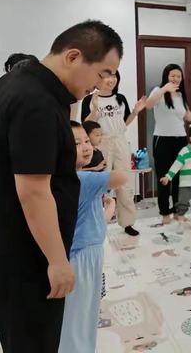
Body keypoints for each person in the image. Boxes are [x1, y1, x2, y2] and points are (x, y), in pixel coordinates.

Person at [0, 20, 122, 353]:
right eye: (102, 73)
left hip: (14, 244)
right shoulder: (36, 102)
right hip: (29, 255)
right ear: (73, 57)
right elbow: (34, 191)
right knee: (34, 340)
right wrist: (57, 260)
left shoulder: (16, 83)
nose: (100, 85)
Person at [59, 121, 126, 353]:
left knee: (79, 314)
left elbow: (92, 223)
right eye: (77, 143)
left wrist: (109, 209)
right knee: (80, 317)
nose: (87, 147)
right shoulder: (82, 180)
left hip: (82, 252)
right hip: (83, 257)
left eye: (87, 141)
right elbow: (121, 176)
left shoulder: (62, 179)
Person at [145, 64, 191, 225]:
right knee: (164, 177)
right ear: (166, 76)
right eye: (172, 75)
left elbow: (189, 117)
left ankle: (179, 212)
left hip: (181, 140)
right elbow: (148, 105)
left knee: (179, 178)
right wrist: (164, 89)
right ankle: (165, 212)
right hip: (162, 139)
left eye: (178, 76)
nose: (176, 78)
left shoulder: (180, 95)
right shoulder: (158, 91)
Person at [81, 71, 145, 236]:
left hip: (120, 141)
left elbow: (124, 123)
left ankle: (127, 223)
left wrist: (135, 112)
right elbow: (85, 125)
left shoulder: (120, 98)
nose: (111, 80)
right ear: (98, 79)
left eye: (114, 76)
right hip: (100, 143)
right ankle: (95, 223)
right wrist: (95, 109)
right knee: (99, 184)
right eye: (107, 76)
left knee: (124, 183)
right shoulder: (89, 99)